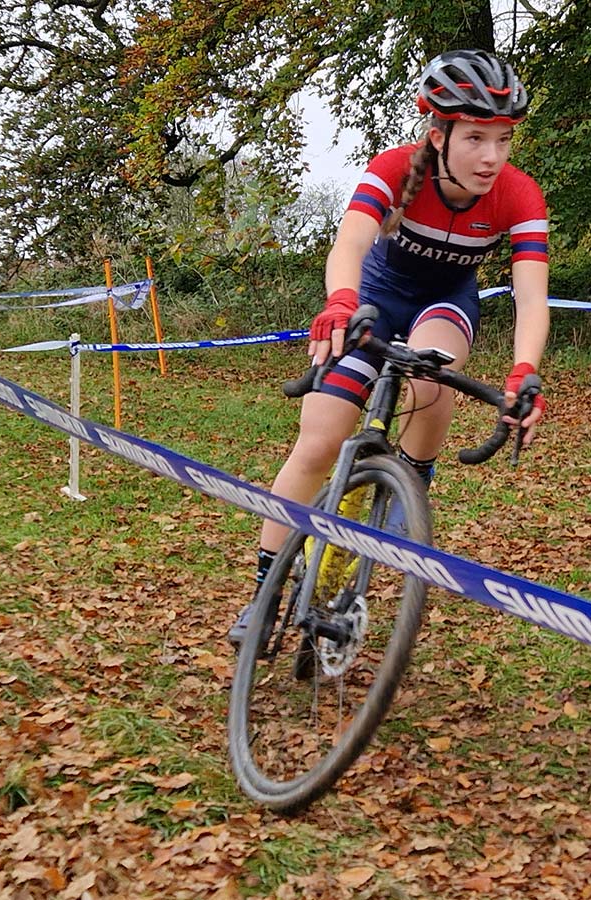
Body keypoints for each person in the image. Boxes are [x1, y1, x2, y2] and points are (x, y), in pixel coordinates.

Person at [229, 48, 550, 647]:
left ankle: (410, 487)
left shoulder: (519, 195)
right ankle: (264, 590)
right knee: (320, 439)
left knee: (434, 375)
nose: (492, 157)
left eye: (504, 140)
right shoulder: (396, 168)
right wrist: (341, 304)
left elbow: (533, 299)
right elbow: (348, 243)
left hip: (445, 304)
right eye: (477, 138)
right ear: (439, 134)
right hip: (376, 296)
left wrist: (524, 372)